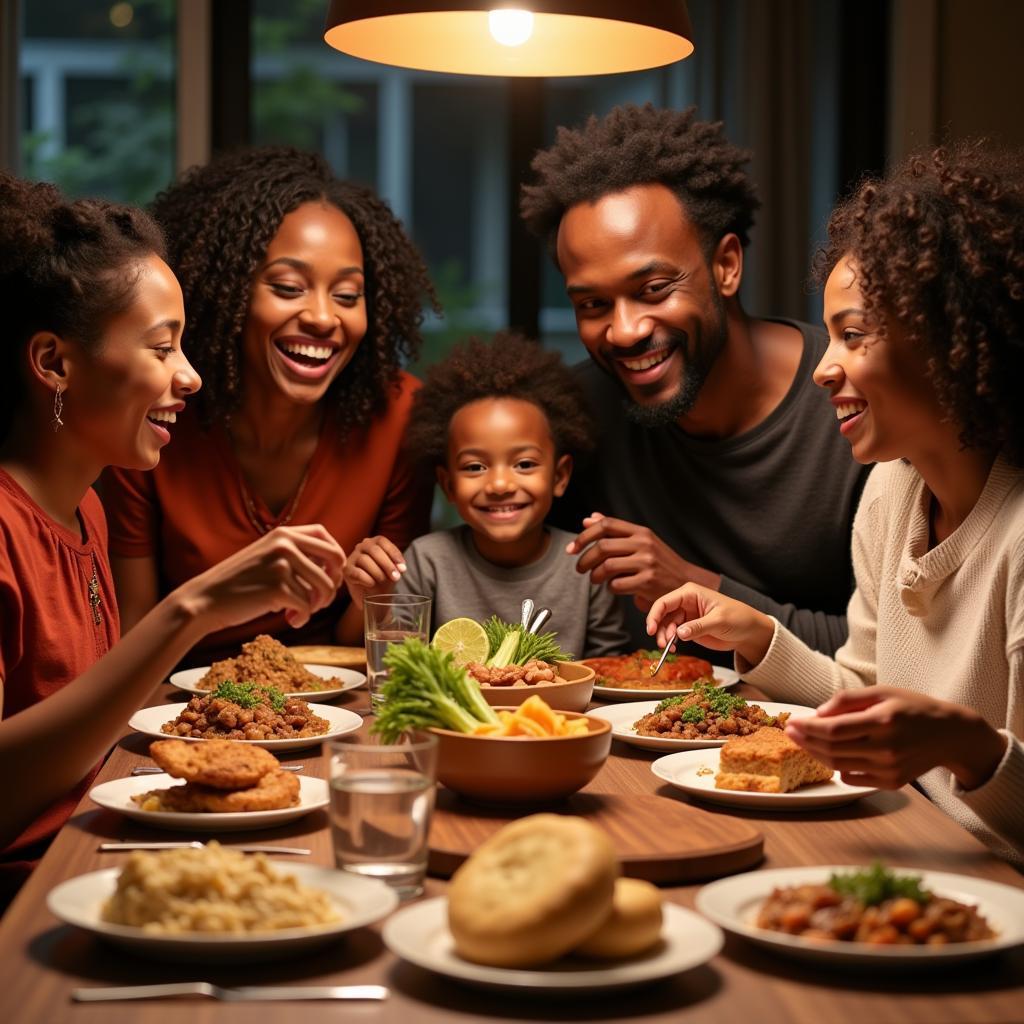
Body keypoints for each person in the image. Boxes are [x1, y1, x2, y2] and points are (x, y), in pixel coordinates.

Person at [646, 143, 1024, 866]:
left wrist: (972, 751)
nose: (824, 366)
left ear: (949, 336)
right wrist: (757, 637)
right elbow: (864, 692)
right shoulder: (893, 490)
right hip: (897, 851)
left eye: (854, 335)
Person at [0, 174, 346, 905]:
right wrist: (191, 609)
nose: (189, 376)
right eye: (162, 347)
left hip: (107, 856)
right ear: (54, 363)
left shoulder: (84, 511)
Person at [521, 104, 870, 655]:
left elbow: (893, 655)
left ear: (726, 265)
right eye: (592, 303)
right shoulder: (573, 415)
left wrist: (695, 583)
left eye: (654, 288)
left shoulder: (853, 398)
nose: (624, 331)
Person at [101, 148, 438, 662]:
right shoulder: (157, 416)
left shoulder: (399, 417)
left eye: (348, 296)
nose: (324, 318)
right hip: (180, 702)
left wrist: (374, 590)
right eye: (288, 287)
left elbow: (376, 636)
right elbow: (132, 633)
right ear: (228, 291)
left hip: (339, 698)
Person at [342, 334, 630, 658]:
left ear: (559, 477)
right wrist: (374, 601)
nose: (499, 484)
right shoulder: (427, 561)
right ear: (448, 484)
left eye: (524, 464)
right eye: (475, 466)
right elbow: (395, 664)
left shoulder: (587, 565)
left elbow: (609, 673)